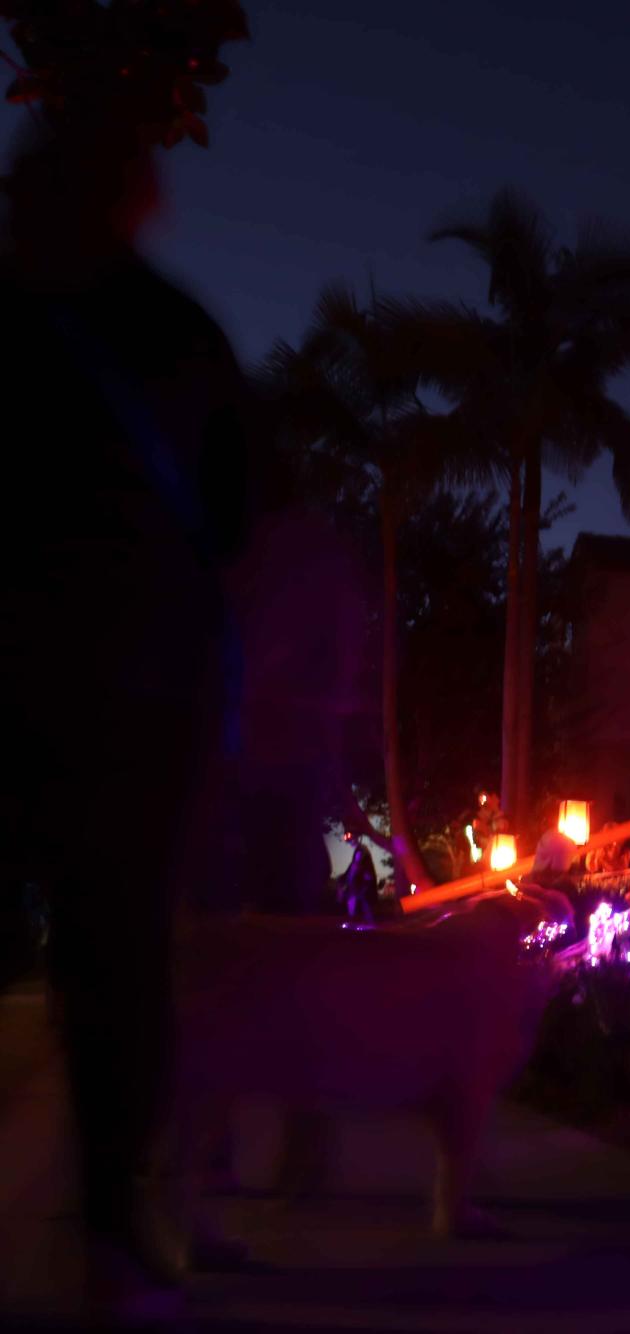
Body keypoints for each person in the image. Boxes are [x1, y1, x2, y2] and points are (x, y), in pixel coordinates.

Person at [2, 107, 253, 1311]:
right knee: (116, 958)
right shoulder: (178, 333)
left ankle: (104, 1216)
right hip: (132, 693)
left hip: (75, 686)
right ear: (138, 200)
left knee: (108, 954)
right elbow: (242, 529)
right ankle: (106, 1220)